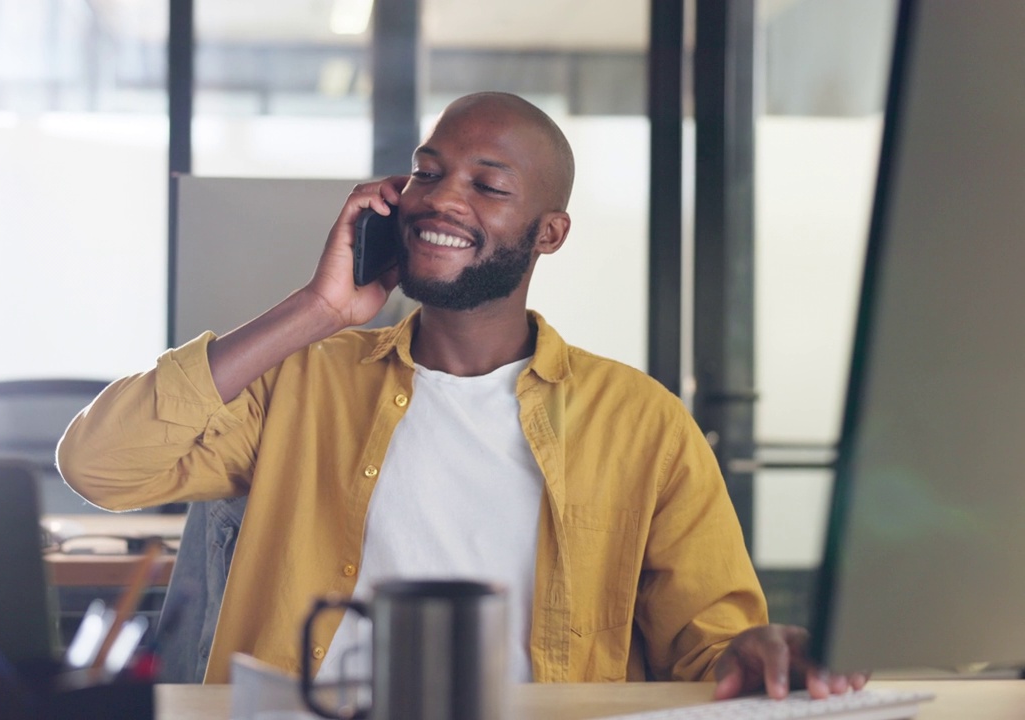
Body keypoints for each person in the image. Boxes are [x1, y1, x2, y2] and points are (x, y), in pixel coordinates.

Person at [58, 91, 867, 699]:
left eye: (489, 186)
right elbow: (100, 466)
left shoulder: (642, 423)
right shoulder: (302, 379)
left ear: (548, 234)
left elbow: (709, 642)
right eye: (428, 172)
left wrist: (754, 653)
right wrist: (317, 310)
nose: (443, 198)